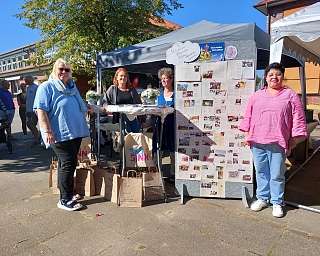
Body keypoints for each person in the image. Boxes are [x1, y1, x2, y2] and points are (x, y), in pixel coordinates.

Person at [239, 62, 307, 218]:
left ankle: (277, 201)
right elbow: (248, 115)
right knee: (261, 172)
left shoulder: (290, 95)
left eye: (278, 74)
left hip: (278, 141)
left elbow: (298, 117)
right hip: (257, 140)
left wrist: (295, 140)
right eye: (271, 74)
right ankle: (263, 198)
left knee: (276, 174)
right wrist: (246, 134)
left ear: (282, 77)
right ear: (266, 77)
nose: (274, 77)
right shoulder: (256, 95)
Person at [33, 58, 90, 211]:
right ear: (54, 70)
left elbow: (80, 105)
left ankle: (68, 193)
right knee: (67, 163)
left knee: (69, 163)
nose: (64, 72)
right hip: (59, 133)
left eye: (67, 70)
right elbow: (41, 110)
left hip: (75, 132)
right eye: (61, 69)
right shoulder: (46, 87)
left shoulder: (72, 87)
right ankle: (64, 199)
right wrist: (47, 131)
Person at [103, 67, 142, 133]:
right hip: (118, 120)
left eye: (125, 76)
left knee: (134, 139)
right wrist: (107, 108)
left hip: (132, 119)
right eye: (121, 76)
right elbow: (105, 102)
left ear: (127, 78)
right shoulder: (112, 89)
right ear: (117, 77)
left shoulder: (132, 90)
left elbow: (139, 103)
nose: (123, 78)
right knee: (123, 140)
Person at [153, 67, 175, 180]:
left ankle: (173, 173)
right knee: (158, 147)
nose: (164, 81)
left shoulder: (176, 94)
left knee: (172, 148)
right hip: (159, 126)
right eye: (162, 79)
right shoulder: (158, 95)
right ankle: (157, 171)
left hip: (172, 126)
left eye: (166, 79)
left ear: (171, 79)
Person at [24, 75, 40, 144]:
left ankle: (37, 138)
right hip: (28, 110)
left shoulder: (36, 87)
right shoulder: (28, 88)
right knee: (29, 124)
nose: (25, 82)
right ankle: (37, 136)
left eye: (26, 80)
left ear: (30, 80)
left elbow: (39, 98)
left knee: (31, 124)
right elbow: (27, 99)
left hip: (34, 110)